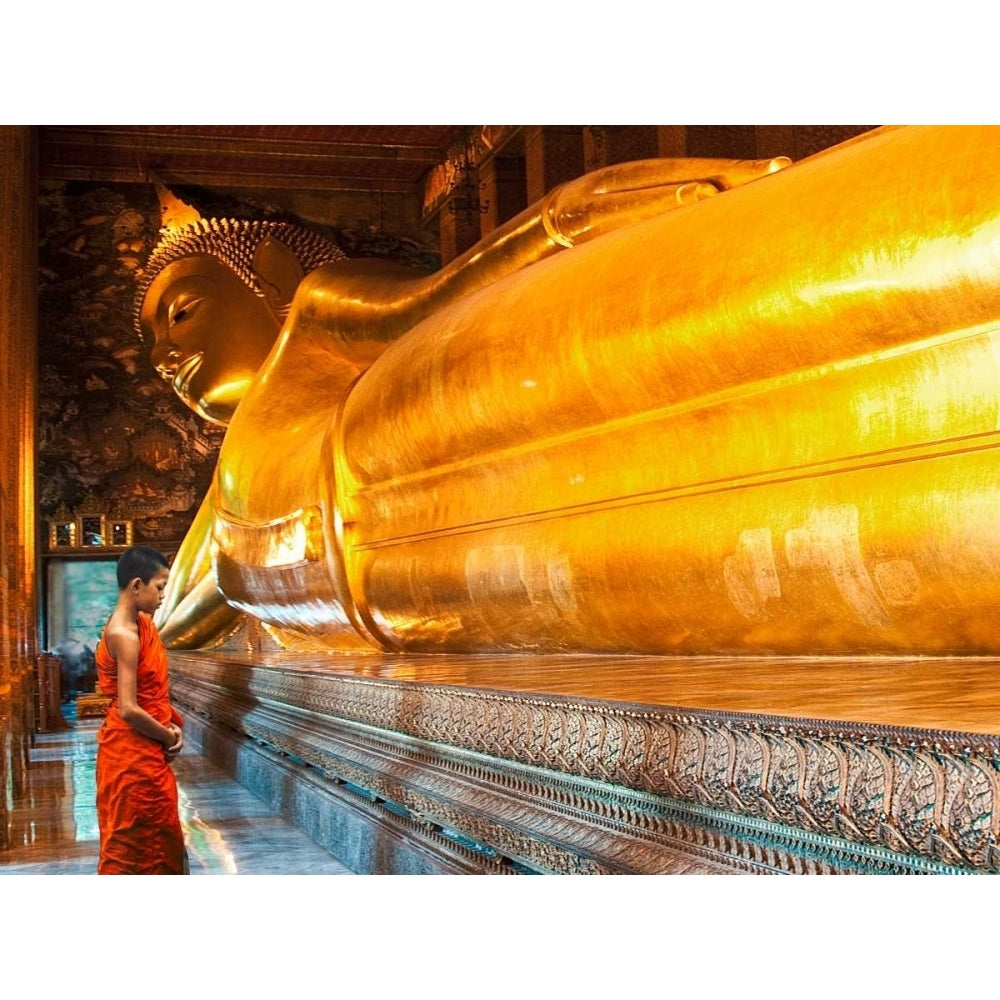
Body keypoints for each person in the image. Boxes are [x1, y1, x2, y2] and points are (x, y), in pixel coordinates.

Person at [141, 125, 1000, 658]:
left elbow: (437, 296)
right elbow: (187, 611)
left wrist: (560, 217)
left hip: (411, 412)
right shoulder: (227, 498)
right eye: (148, 348)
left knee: (744, 315)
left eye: (178, 315)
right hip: (417, 572)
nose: (164, 356)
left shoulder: (316, 323)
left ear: (276, 273)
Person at [95, 546, 186, 875]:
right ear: (136, 585)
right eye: (159, 587)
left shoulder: (140, 624)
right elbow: (130, 709)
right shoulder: (125, 634)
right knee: (132, 839)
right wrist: (168, 736)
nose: (163, 595)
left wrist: (166, 732)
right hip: (132, 752)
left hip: (145, 748)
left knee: (159, 835)